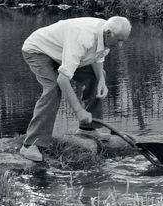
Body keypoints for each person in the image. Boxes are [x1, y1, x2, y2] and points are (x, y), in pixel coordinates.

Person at [19, 16, 132, 162]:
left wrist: (102, 81)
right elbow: (63, 79)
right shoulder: (83, 38)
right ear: (109, 33)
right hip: (39, 50)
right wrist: (79, 110)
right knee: (53, 88)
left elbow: (97, 59)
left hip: (61, 53)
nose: (121, 45)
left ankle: (88, 129)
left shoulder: (107, 35)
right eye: (119, 41)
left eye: (123, 40)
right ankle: (30, 145)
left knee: (97, 76)